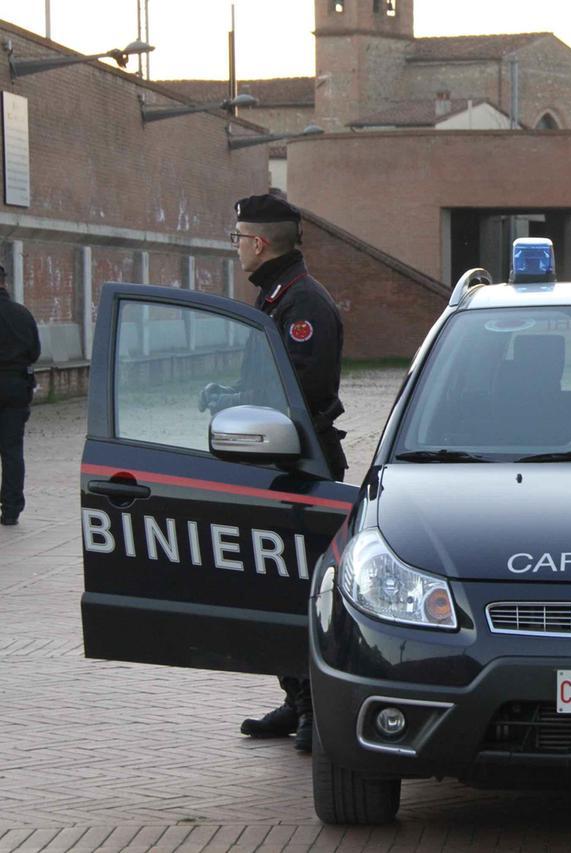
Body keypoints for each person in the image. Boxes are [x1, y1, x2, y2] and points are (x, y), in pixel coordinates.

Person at [211, 193, 346, 753]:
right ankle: (296, 699)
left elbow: (302, 392)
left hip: (303, 466)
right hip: (276, 462)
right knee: (273, 583)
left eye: (239, 238)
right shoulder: (276, 297)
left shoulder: (302, 304)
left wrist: (248, 398)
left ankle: (317, 708)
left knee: (304, 589)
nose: (237, 247)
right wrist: (233, 394)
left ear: (259, 243)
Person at [0, 264, 41, 526]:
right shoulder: (22, 314)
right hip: (16, 387)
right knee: (12, 451)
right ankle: (11, 509)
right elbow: (35, 351)